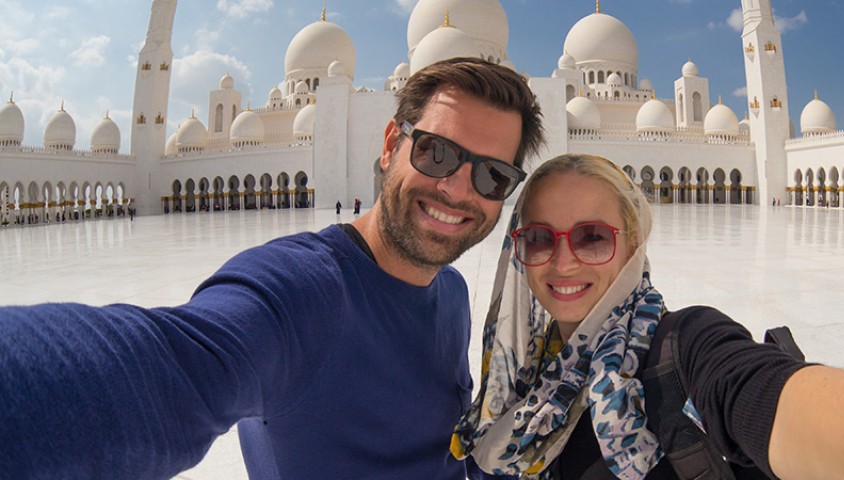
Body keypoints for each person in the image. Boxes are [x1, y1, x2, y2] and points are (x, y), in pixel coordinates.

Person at [0, 57, 544, 479]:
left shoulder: (449, 291)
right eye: (437, 153)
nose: (456, 188)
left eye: (493, 176)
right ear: (390, 145)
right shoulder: (301, 293)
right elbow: (166, 368)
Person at [452, 153, 844, 480]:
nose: (564, 260)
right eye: (541, 238)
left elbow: (762, 393)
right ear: (517, 252)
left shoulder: (686, 345)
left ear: (634, 241)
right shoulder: (522, 380)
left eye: (593, 237)